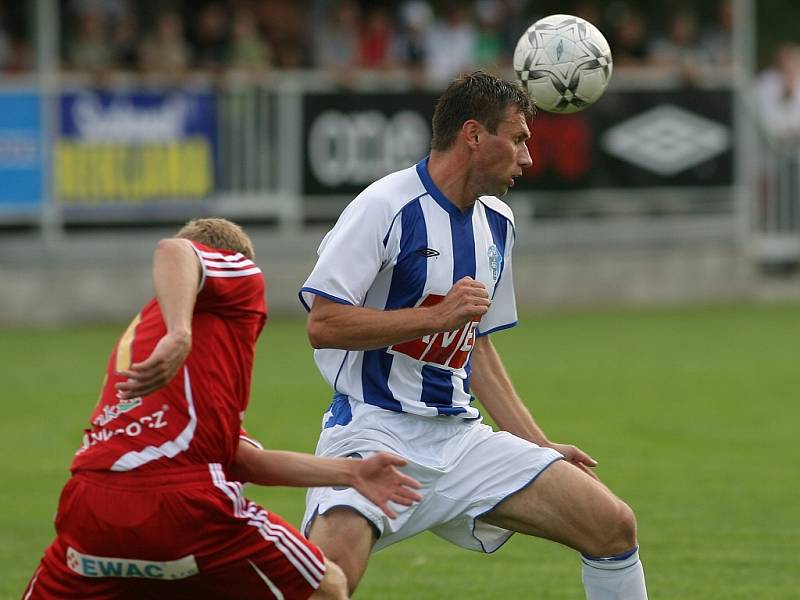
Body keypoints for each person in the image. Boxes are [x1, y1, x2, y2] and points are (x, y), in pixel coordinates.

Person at [298, 71, 649, 599]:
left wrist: (537, 443)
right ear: (474, 135)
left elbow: (476, 345)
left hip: (461, 441)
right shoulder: (384, 205)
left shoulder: (498, 222)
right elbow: (323, 324)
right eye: (520, 139)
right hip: (372, 435)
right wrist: (433, 317)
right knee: (326, 581)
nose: (528, 158)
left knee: (612, 525)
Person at [23, 217, 421, 600]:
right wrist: (180, 334)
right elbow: (175, 249)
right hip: (180, 505)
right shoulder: (236, 279)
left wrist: (350, 472)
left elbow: (242, 459)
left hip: (89, 508)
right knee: (327, 586)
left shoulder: (149, 338)